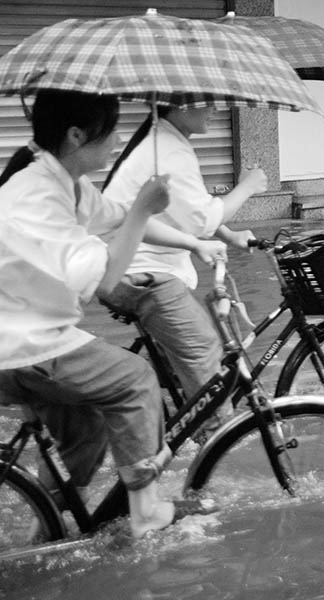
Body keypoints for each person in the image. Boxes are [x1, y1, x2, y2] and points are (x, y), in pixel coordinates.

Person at [0, 90, 226, 538]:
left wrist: (194, 243)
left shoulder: (65, 182)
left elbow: (120, 219)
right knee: (136, 379)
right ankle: (146, 513)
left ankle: (48, 530)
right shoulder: (38, 194)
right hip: (23, 344)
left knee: (88, 431)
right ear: (76, 135)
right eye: (111, 130)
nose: (119, 138)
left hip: (32, 335)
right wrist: (143, 209)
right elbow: (104, 279)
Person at [101, 106, 267, 439]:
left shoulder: (166, 142)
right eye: (206, 101)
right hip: (140, 272)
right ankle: (216, 446)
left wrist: (230, 236)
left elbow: (188, 207)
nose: (215, 109)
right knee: (205, 349)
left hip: (134, 267)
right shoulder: (166, 148)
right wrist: (247, 186)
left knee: (186, 364)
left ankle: (176, 422)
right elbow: (201, 219)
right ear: (181, 104)